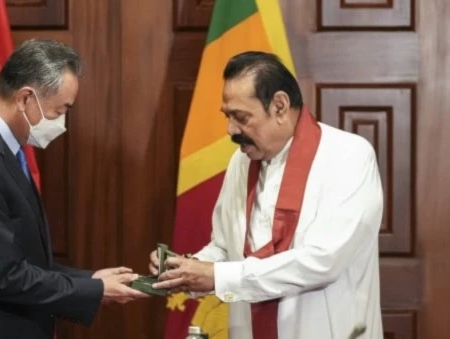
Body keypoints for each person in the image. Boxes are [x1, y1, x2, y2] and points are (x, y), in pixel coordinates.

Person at [0, 38, 148, 339]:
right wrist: (94, 289)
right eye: (58, 111)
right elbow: (6, 276)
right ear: (26, 98)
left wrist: (90, 279)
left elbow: (21, 259)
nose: (62, 123)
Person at [150, 51, 384, 339]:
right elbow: (225, 247)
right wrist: (184, 267)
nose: (230, 130)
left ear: (280, 106)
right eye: (228, 116)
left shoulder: (348, 156)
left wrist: (218, 276)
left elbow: (323, 262)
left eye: (241, 117)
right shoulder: (242, 161)